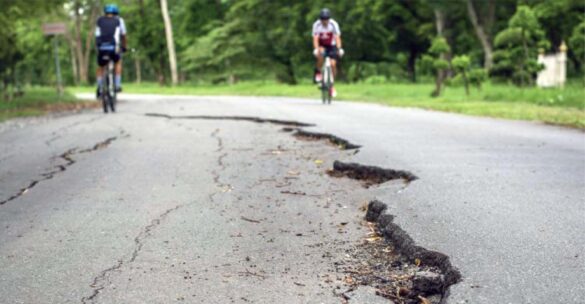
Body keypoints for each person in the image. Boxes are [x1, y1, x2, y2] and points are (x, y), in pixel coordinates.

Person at [95, 4, 127, 97]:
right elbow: (123, 35)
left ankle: (100, 88)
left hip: (101, 48)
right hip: (113, 48)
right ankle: (117, 85)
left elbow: (96, 35)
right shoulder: (119, 20)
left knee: (100, 66)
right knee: (117, 63)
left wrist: (98, 48)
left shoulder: (99, 20)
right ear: (116, 12)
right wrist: (124, 47)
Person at [312, 8, 344, 96]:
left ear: (329, 19)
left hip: (332, 45)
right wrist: (316, 49)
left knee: (333, 64)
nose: (324, 21)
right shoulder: (316, 25)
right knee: (321, 53)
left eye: (326, 19)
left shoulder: (333, 24)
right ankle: (318, 71)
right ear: (320, 19)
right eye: (323, 19)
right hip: (322, 45)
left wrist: (339, 48)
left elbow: (337, 37)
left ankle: (331, 84)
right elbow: (315, 38)